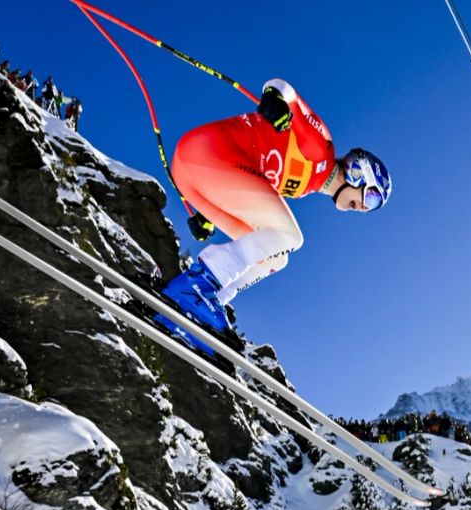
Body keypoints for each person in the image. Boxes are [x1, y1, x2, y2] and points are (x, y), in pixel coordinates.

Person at [157, 78, 391, 333]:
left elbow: (248, 189)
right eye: (372, 198)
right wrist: (274, 98)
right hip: (207, 151)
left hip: (198, 173)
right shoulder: (321, 148)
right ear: (358, 172)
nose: (364, 208)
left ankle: (207, 305)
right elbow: (284, 88)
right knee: (291, 236)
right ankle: (198, 286)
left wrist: (209, 215)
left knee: (277, 258)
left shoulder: (305, 186)